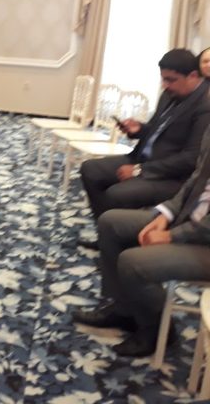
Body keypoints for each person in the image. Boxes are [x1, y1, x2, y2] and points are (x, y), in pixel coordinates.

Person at [72, 127, 210, 357]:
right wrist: (166, 214)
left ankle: (156, 331)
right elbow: (197, 178)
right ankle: (124, 310)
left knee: (134, 263)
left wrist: (173, 235)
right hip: (190, 218)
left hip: (204, 242)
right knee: (111, 223)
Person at [78, 49, 210, 247]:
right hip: (143, 159)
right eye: (163, 79)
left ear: (192, 76)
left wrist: (140, 170)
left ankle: (123, 242)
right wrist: (139, 129)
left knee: (118, 193)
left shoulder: (205, 105)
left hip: (172, 177)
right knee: (90, 169)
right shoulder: (169, 94)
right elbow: (157, 130)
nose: (165, 85)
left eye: (171, 80)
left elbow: (191, 159)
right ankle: (107, 235)